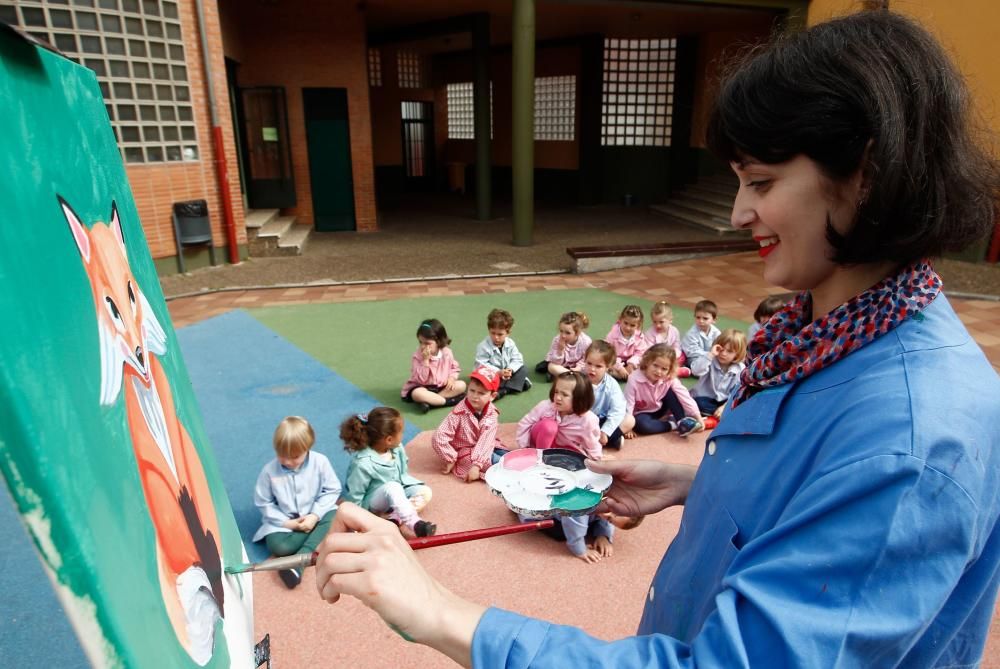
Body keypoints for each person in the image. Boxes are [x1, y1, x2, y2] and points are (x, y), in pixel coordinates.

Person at [313, 11, 1000, 668]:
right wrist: (701, 480)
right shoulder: (829, 331)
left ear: (867, 170)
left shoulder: (911, 442)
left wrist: (439, 610)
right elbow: (818, 487)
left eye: (761, 181)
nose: (737, 213)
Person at [251, 416, 341, 589]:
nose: (288, 461)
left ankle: (298, 562)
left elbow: (332, 490)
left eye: (295, 457)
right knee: (279, 547)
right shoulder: (269, 471)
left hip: (317, 514)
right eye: (282, 456)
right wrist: (288, 523)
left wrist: (314, 516)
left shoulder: (320, 462)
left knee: (337, 514)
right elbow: (264, 503)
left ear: (307, 448)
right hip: (286, 521)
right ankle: (318, 538)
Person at [340, 407, 437, 537]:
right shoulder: (363, 463)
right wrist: (356, 524)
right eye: (401, 432)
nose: (403, 435)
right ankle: (414, 523)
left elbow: (403, 474)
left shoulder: (396, 448)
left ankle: (395, 520)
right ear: (389, 439)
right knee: (393, 487)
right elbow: (355, 495)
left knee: (425, 492)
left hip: (397, 491)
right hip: (375, 502)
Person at [431, 366, 505, 482]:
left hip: (487, 446)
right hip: (466, 452)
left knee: (508, 455)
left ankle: (528, 468)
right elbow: (439, 437)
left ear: (492, 396)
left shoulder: (492, 413)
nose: (475, 396)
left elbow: (486, 440)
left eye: (481, 393)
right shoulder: (458, 413)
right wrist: (450, 457)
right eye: (472, 390)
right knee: (499, 464)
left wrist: (477, 465)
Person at [515, 371, 601, 460]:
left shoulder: (588, 420)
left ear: (579, 398)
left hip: (564, 451)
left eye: (564, 394)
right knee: (549, 427)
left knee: (576, 462)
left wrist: (596, 462)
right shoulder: (546, 406)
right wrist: (524, 448)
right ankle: (540, 460)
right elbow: (525, 423)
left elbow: (592, 445)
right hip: (538, 446)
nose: (558, 397)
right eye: (556, 392)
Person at [623, 344, 702, 438]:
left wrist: (698, 417)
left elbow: (684, 395)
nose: (659, 371)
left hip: (661, 408)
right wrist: (628, 427)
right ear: (647, 362)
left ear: (669, 370)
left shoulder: (668, 378)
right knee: (642, 425)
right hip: (642, 414)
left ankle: (681, 421)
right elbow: (629, 404)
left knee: (674, 391)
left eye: (664, 369)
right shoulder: (634, 379)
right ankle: (673, 425)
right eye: (655, 365)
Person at [401, 319, 466, 414]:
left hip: (441, 388)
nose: (423, 346)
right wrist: (425, 361)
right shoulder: (418, 356)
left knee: (462, 385)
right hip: (422, 387)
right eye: (420, 342)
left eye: (427, 343)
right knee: (417, 394)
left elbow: (454, 368)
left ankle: (431, 403)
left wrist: (452, 378)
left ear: (439, 341)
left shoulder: (447, 353)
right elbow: (421, 380)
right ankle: (448, 401)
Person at [689, 328, 747, 426]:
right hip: (703, 399)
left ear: (737, 353)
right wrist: (710, 355)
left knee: (742, 404)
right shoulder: (709, 358)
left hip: (723, 402)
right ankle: (717, 418)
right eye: (721, 349)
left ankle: (714, 417)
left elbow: (737, 392)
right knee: (698, 403)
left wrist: (724, 407)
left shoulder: (740, 369)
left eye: (729, 351)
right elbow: (696, 371)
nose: (723, 353)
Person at [584, 340, 633, 449]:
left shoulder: (612, 385)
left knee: (630, 420)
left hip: (602, 421)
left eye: (598, 366)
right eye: (589, 363)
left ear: (608, 367)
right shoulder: (578, 380)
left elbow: (618, 410)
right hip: (583, 422)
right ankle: (611, 440)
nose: (592, 369)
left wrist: (605, 431)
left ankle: (602, 440)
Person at [473, 308, 530, 398]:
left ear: (508, 333)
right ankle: (513, 386)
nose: (496, 337)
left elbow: (517, 359)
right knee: (479, 378)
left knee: (524, 369)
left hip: (506, 375)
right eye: (493, 333)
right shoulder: (483, 346)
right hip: (492, 375)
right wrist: (498, 372)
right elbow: (480, 365)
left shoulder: (510, 343)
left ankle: (503, 391)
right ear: (489, 330)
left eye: (500, 334)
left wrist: (510, 370)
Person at [535, 311, 592, 380]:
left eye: (568, 333)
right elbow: (556, 362)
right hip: (562, 365)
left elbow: (585, 359)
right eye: (561, 331)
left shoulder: (586, 341)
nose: (563, 335)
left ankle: (566, 375)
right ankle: (574, 376)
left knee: (590, 368)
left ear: (577, 333)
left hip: (578, 367)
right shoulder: (557, 340)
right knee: (551, 366)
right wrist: (560, 350)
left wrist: (578, 368)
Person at [606, 304, 649, 381]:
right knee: (605, 363)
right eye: (625, 323)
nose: (628, 328)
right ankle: (620, 374)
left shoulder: (639, 336)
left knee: (647, 364)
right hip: (615, 361)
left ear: (638, 325)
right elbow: (609, 353)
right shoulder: (613, 335)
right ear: (620, 320)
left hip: (630, 361)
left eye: (632, 325)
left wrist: (631, 364)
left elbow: (640, 352)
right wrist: (619, 367)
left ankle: (626, 375)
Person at [680, 299, 721, 376]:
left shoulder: (716, 332)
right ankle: (683, 370)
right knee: (699, 371)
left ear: (714, 320)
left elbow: (720, 345)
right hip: (695, 359)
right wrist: (709, 354)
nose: (701, 321)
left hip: (710, 358)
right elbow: (691, 352)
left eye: (705, 318)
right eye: (698, 317)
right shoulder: (691, 333)